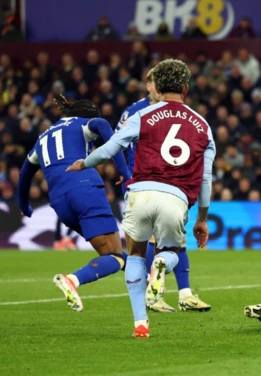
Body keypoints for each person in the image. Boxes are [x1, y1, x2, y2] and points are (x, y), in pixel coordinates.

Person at [67, 59, 215, 338]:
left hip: (140, 193)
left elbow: (111, 147)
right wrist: (202, 219)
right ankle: (162, 266)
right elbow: (206, 178)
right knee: (169, 252)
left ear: (156, 87)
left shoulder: (143, 115)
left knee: (135, 255)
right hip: (176, 197)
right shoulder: (203, 126)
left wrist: (84, 163)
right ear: (186, 88)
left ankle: (140, 323)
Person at [17, 96, 131, 312]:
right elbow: (102, 125)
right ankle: (72, 280)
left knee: (111, 252)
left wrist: (24, 206)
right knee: (114, 255)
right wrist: (124, 171)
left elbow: (25, 174)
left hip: (60, 203)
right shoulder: (83, 123)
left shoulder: (42, 138)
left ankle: (147, 278)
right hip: (85, 189)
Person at [116, 68, 211, 313]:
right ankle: (156, 295)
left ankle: (182, 293)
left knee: (176, 242)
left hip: (168, 181)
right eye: (150, 83)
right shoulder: (136, 111)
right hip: (143, 181)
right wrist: (124, 172)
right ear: (150, 87)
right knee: (155, 241)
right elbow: (117, 143)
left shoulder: (174, 113)